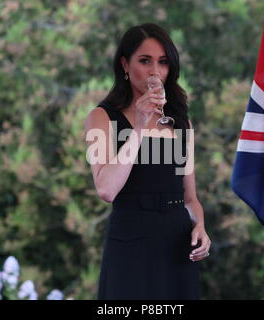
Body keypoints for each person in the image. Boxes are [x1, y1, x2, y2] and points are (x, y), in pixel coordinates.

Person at [84, 23, 211, 300]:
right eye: (145, 61)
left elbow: (190, 199)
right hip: (131, 243)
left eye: (163, 63)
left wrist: (199, 226)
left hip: (177, 245)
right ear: (125, 65)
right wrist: (139, 128)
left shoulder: (181, 123)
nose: (155, 72)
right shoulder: (101, 118)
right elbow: (106, 190)